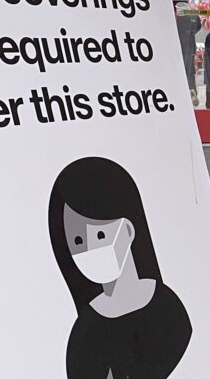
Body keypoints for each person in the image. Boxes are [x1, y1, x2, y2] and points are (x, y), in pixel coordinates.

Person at [49, 157, 193, 378]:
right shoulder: (86, 331)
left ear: (127, 230)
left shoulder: (167, 306)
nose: (90, 250)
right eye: (78, 241)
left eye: (99, 235)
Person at [175, 2, 201, 107]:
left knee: (177, 72)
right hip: (190, 47)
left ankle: (179, 95)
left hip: (176, 48)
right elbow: (198, 27)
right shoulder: (193, 14)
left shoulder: (174, 15)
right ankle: (192, 89)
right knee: (190, 71)